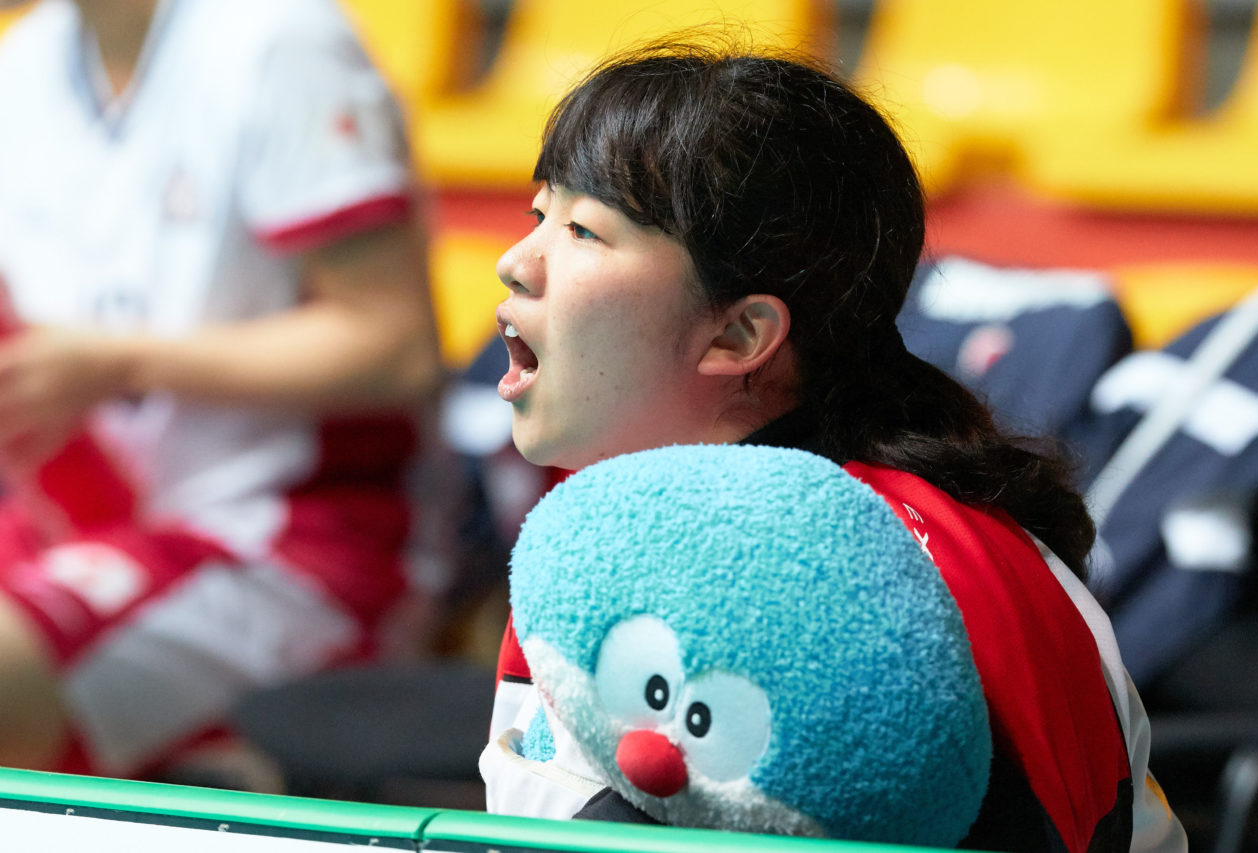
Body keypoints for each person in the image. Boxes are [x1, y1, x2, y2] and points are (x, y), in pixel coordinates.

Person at [480, 41, 1187, 853]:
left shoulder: (773, 581)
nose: (514, 263)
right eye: (538, 215)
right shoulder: (926, 519)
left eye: (582, 230)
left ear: (740, 334)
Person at [0, 0, 442, 778]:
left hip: (293, 541)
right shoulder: (25, 60)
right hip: (80, 517)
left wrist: (122, 363)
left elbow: (397, 346)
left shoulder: (281, 40)